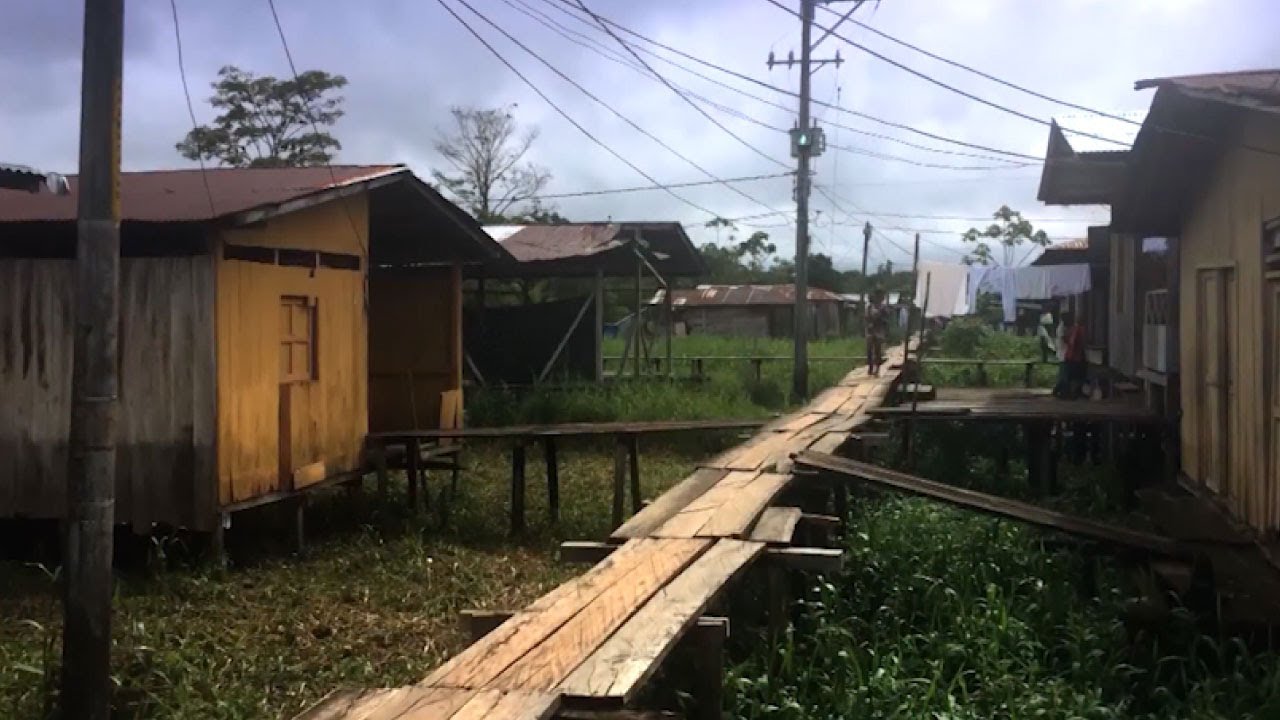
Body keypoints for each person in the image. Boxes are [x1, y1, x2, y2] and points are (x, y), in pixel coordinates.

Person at [864, 287, 889, 376]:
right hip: (870, 331)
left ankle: (877, 369)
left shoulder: (883, 307)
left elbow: (886, 319)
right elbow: (866, 317)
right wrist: (870, 322)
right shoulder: (869, 306)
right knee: (869, 350)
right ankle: (870, 367)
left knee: (877, 350)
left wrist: (880, 318)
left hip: (879, 331)